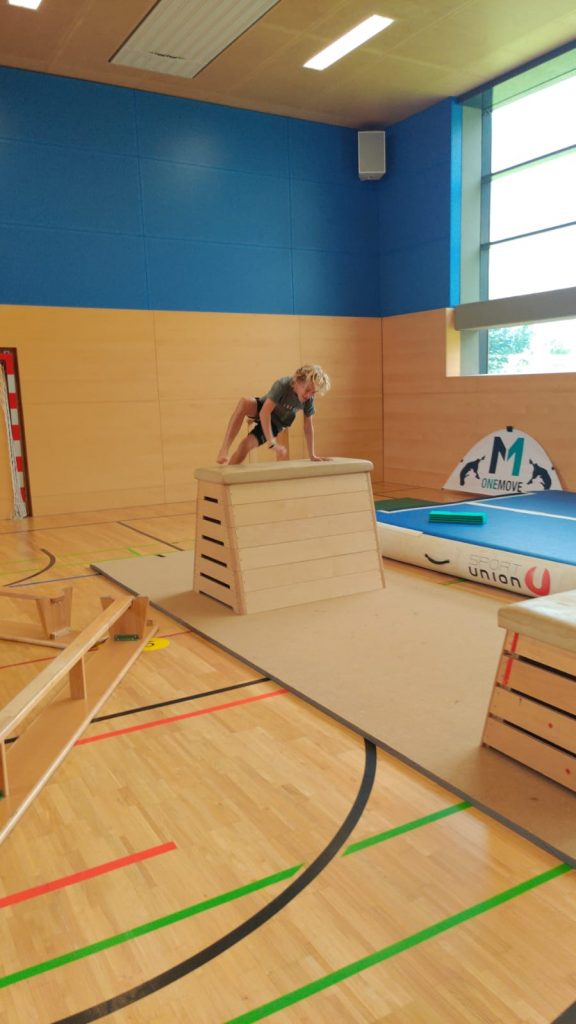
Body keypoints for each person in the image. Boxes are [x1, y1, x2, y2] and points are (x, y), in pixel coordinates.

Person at [216, 364, 331, 465]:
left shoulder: (309, 399)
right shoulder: (282, 385)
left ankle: (228, 473)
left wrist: (312, 455)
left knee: (245, 445)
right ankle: (224, 449)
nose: (309, 395)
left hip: (276, 422)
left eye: (313, 392)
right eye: (307, 390)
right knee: (244, 402)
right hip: (264, 408)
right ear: (297, 381)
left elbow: (308, 426)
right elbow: (264, 412)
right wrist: (272, 443)